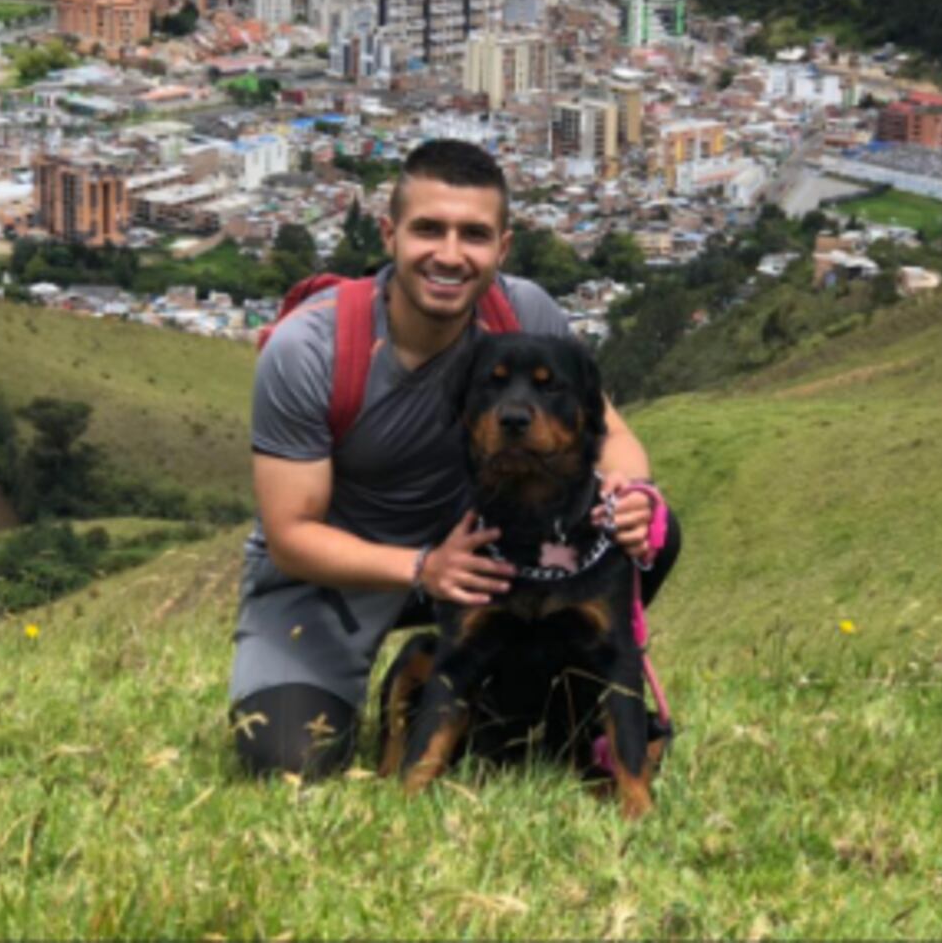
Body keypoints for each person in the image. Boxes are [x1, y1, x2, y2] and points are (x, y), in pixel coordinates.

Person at [230, 139, 680, 777]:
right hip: (334, 582)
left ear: (502, 246)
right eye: (427, 230)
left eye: (472, 234)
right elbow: (290, 536)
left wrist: (630, 498)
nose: (448, 254)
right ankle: (414, 687)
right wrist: (423, 567)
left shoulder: (525, 316)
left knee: (658, 534)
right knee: (285, 759)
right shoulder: (311, 349)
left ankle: (547, 705)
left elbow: (616, 440)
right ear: (388, 234)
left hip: (483, 563)